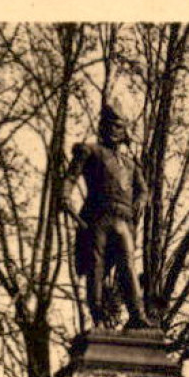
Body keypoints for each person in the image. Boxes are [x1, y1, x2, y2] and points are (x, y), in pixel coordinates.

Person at [66, 104, 152, 330]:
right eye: (109, 125)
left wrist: (141, 201)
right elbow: (70, 177)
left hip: (124, 221)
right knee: (96, 267)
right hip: (97, 218)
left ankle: (137, 314)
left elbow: (143, 190)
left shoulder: (131, 165)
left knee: (128, 267)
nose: (113, 130)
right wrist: (65, 195)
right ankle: (97, 315)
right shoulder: (90, 151)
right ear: (102, 127)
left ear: (124, 131)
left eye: (118, 126)